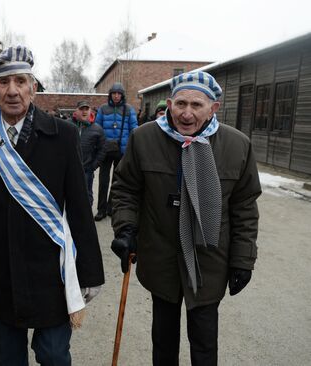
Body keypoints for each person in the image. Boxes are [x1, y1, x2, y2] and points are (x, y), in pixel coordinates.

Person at [0, 45, 105, 366]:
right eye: (3, 83)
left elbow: (78, 204)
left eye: (20, 81)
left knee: (53, 355)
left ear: (33, 87)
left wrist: (90, 270)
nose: (12, 91)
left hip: (51, 266)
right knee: (8, 358)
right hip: (1, 264)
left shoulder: (62, 135)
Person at [109, 71, 261, 365]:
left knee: (204, 342)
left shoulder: (237, 146)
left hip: (208, 259)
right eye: (180, 104)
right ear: (169, 104)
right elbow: (125, 188)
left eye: (196, 105)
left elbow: (244, 208)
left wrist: (243, 259)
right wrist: (126, 228)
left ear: (213, 108)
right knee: (163, 340)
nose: (186, 113)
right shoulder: (144, 138)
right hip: (160, 256)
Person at [94, 82, 138, 221]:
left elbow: (134, 130)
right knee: (103, 181)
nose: (116, 96)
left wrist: (132, 149)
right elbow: (97, 128)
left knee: (116, 181)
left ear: (122, 95)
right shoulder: (102, 108)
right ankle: (101, 209)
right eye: (114, 93)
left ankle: (110, 207)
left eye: (119, 93)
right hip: (105, 150)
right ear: (110, 95)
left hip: (122, 150)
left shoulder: (129, 109)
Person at [69, 100, 106, 207]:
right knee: (69, 194)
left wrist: (93, 166)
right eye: (81, 109)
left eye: (86, 109)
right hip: (69, 169)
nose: (84, 111)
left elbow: (102, 149)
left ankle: (86, 220)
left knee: (86, 195)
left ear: (90, 111)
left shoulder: (97, 129)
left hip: (87, 170)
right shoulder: (67, 125)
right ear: (76, 111)